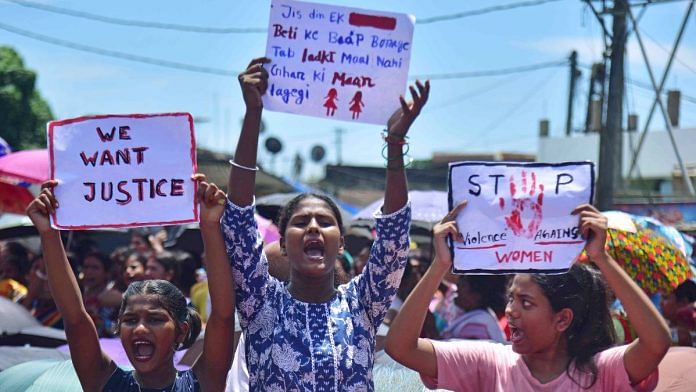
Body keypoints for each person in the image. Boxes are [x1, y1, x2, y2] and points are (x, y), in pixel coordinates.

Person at [222, 56, 429, 390]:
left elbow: (393, 237)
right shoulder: (260, 302)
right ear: (284, 244)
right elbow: (238, 218)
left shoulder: (363, 303)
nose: (314, 227)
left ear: (342, 242)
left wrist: (394, 145)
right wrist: (253, 115)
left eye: (325, 221)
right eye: (301, 222)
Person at [386, 202, 671, 391]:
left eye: (526, 302)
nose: (510, 310)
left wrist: (602, 258)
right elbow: (401, 348)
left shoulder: (600, 371)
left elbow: (656, 343)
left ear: (562, 319)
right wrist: (440, 265)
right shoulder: (490, 362)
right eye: (511, 298)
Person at [25, 176, 235, 391]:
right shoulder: (104, 381)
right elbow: (75, 317)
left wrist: (210, 225)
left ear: (181, 332)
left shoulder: (202, 381)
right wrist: (49, 233)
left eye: (155, 319)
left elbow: (223, 315)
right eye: (130, 320)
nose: (140, 329)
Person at [661, 279, 696, 346]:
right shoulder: (661, 328)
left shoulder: (692, 335)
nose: (661, 302)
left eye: (665, 298)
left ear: (683, 302)